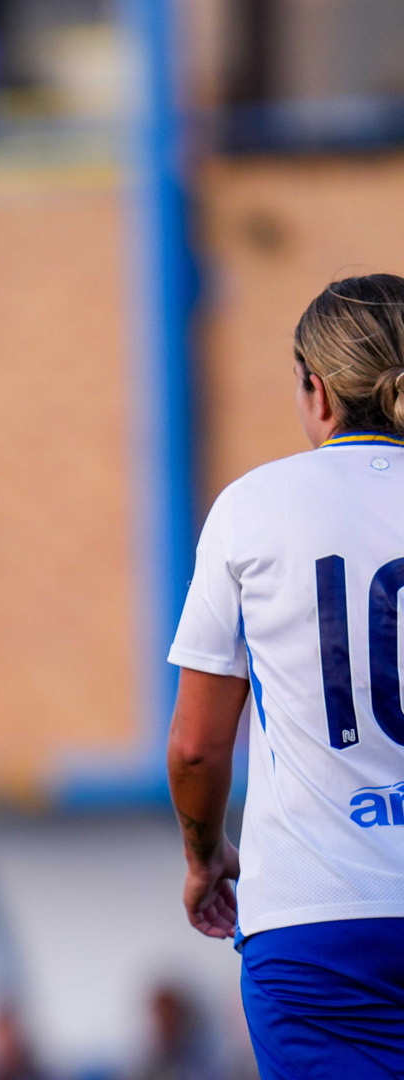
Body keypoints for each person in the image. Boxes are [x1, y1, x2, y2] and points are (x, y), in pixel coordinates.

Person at [166, 272, 404, 1078]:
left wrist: (205, 856)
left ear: (316, 390)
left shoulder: (253, 507)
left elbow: (197, 749)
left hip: (318, 923)